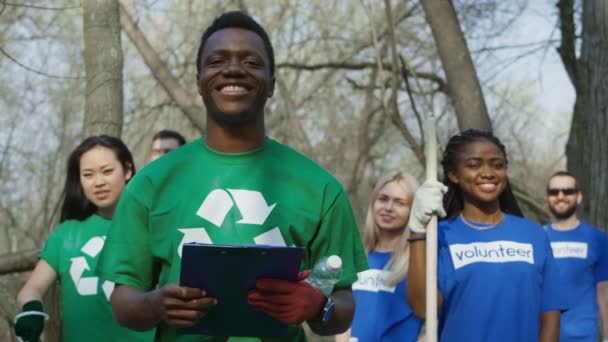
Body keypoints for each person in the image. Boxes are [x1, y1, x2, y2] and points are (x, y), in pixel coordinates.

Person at [97, 11, 368, 342]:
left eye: (252, 62)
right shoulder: (152, 184)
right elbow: (123, 302)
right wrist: (155, 305)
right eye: (217, 60)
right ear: (199, 80)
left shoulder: (320, 189)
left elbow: (341, 305)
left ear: (271, 83)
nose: (233, 69)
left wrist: (317, 307)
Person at [406, 129, 566, 341]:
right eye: (474, 165)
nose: (488, 172)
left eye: (497, 165)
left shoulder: (534, 234)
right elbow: (422, 309)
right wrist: (418, 229)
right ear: (454, 174)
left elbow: (550, 314)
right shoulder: (440, 235)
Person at [14, 135, 153, 342]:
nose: (98, 182)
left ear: (128, 170)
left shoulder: (152, 227)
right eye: (88, 175)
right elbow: (32, 288)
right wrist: (32, 308)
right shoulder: (66, 235)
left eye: (107, 171)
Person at [336, 171, 423, 342]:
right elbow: (342, 320)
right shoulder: (355, 256)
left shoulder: (417, 261)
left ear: (412, 210)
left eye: (400, 203)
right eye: (383, 199)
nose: (388, 208)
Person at [544, 171, 608, 342]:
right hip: (544, 335)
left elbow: (604, 290)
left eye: (568, 191)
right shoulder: (536, 237)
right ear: (547, 198)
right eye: (554, 192)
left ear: (579, 197)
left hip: (583, 336)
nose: (560, 196)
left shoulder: (598, 238)